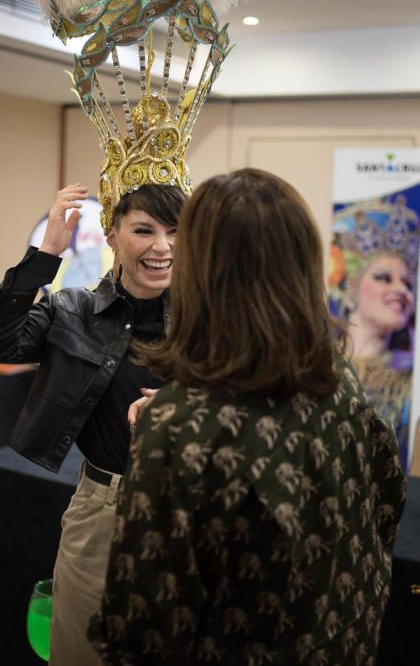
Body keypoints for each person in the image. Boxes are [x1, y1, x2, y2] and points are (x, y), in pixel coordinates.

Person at [88, 168, 406, 665]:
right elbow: (386, 503)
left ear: (202, 269)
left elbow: (144, 628)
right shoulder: (334, 370)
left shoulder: (176, 425)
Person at [0, 181, 185, 665]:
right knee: (81, 649)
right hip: (102, 508)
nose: (162, 246)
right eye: (144, 230)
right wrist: (46, 253)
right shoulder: (74, 311)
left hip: (192, 508)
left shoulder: (213, 324)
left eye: (176, 232)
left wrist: (185, 406)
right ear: (112, 236)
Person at [329, 201, 418, 470]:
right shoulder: (317, 369)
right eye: (383, 277)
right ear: (353, 287)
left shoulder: (409, 384)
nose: (401, 290)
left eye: (408, 283)